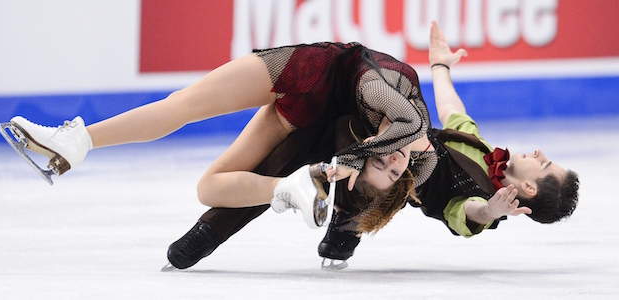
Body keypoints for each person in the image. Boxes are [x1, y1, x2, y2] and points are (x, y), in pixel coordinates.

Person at [162, 21, 580, 270]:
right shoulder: (484, 149)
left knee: (373, 179)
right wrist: (439, 65)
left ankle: (346, 224)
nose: (541, 156)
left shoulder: (484, 205)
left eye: (546, 167)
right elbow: (452, 110)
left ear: (527, 191)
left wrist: (493, 209)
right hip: (388, 133)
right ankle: (209, 231)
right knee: (289, 154)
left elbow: (469, 215)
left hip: (395, 175)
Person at [2, 37, 430, 231]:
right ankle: (79, 142)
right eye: (394, 166)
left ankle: (287, 186)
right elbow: (416, 139)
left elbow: (398, 128)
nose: (393, 158)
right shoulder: (417, 137)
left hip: (309, 76)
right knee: (184, 113)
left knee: (193, 139)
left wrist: (336, 167)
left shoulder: (390, 111)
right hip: (318, 91)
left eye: (381, 163)